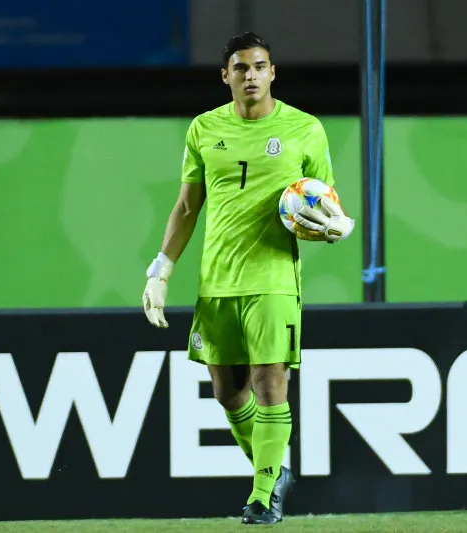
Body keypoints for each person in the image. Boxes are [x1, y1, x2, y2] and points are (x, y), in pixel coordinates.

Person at [141, 32, 355, 525]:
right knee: (227, 392)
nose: (251, 75)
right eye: (241, 68)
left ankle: (263, 497)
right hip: (217, 278)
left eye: (260, 66)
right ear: (226, 76)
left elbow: (324, 203)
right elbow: (187, 205)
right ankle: (273, 470)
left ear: (273, 72)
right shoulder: (204, 128)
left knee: (268, 380)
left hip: (274, 277)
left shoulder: (305, 129)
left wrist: (337, 228)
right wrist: (161, 268)